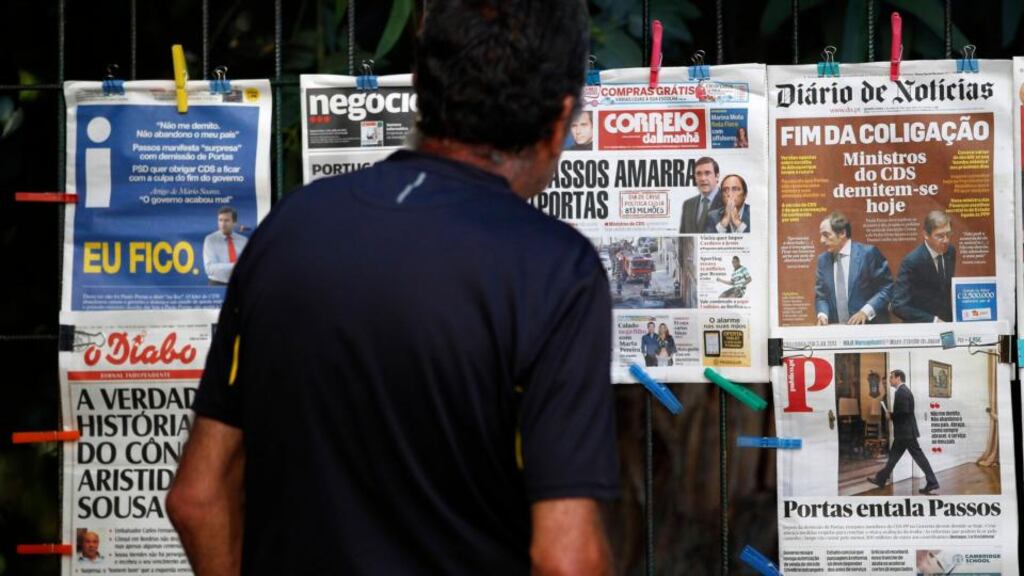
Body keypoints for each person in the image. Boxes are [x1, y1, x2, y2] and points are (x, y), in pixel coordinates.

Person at [167, 2, 619, 575]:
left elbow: (198, 498)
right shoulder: (555, 270)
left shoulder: (288, 232)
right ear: (558, 124)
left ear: (422, 92)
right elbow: (567, 558)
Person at [866, 370, 940, 494]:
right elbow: (904, 412)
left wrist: (891, 416)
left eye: (891, 378)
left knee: (916, 457)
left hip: (905, 433)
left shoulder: (902, 392)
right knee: (894, 457)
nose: (890, 380)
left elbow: (904, 412)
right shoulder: (903, 391)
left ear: (898, 378)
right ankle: (881, 478)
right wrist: (893, 415)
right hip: (905, 432)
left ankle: (932, 482)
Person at [815, 211, 893, 325]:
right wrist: (822, 314)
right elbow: (821, 296)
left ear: (842, 233)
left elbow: (887, 289)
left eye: (826, 235)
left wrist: (865, 312)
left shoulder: (868, 254)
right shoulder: (822, 260)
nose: (821, 240)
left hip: (869, 328)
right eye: (821, 235)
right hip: (837, 331)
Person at [892, 210, 956, 323]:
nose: (946, 240)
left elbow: (943, 293)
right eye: (940, 236)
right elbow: (898, 306)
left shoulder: (950, 251)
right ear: (926, 235)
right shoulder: (912, 261)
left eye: (948, 234)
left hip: (947, 323)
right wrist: (933, 320)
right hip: (921, 327)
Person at [202, 206, 248, 285]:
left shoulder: (244, 241)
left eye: (226, 220)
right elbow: (209, 268)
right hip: (217, 284)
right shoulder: (210, 240)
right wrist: (235, 266)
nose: (223, 224)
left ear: (234, 222)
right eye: (220, 220)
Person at [679, 157, 723, 234]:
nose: (702, 178)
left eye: (707, 173)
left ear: (717, 176)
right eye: (698, 174)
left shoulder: (727, 202)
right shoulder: (688, 204)